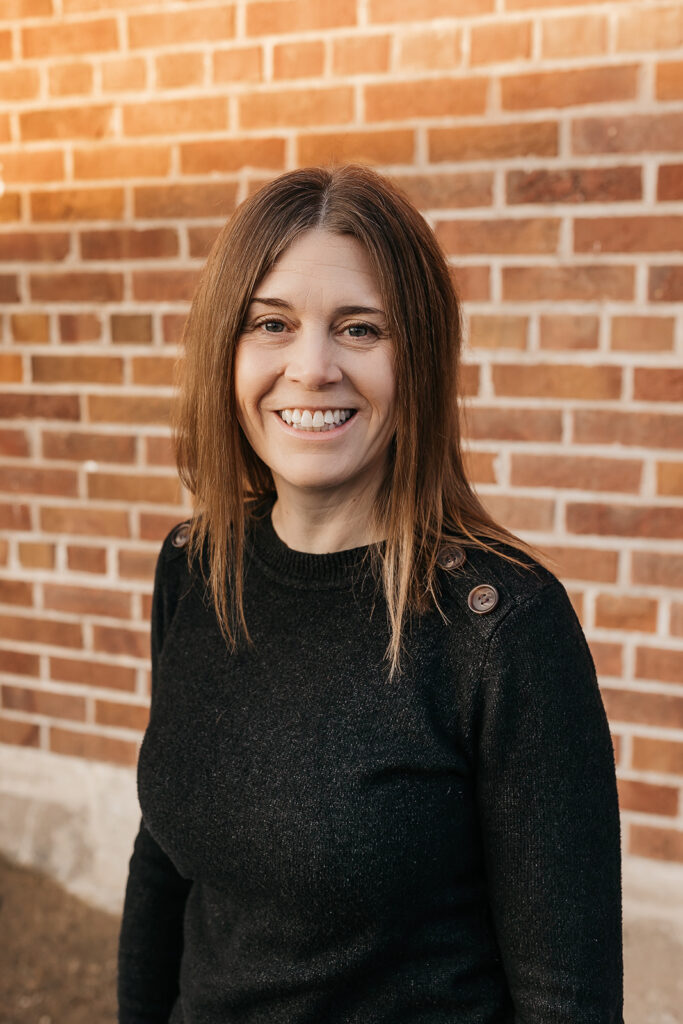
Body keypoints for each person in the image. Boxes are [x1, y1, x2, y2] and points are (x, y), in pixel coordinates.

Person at [117, 164, 624, 1024]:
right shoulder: (195, 566)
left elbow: (565, 996)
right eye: (271, 324)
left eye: (359, 329)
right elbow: (163, 863)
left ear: (417, 359)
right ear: (225, 351)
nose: (310, 369)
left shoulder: (501, 627)